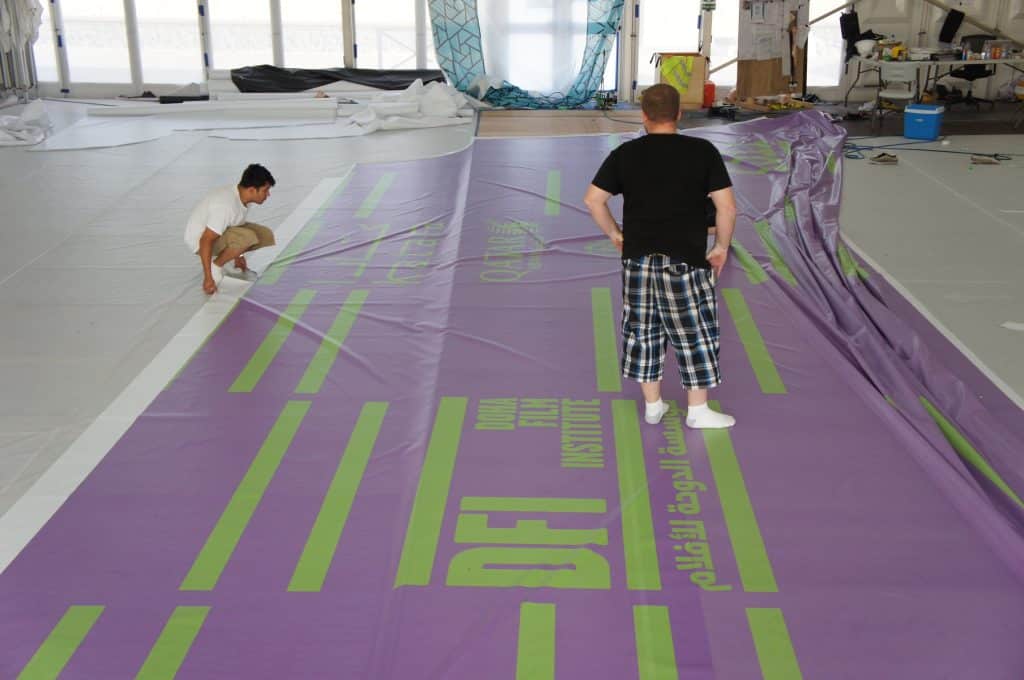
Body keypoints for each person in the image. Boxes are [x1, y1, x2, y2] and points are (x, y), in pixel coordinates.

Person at [584, 83, 737, 429]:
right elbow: (726, 208)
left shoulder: (626, 154)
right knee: (694, 331)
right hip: (685, 260)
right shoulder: (703, 151)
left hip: (638, 260)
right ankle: (697, 411)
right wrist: (721, 247)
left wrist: (614, 234)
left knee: (642, 330)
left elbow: (593, 200)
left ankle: (653, 405)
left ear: (644, 115)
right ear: (680, 114)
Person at [184, 164, 277, 295]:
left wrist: (239, 255)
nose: (268, 194)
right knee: (248, 237)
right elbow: (206, 240)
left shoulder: (242, 197)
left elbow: (235, 225)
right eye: (265, 190)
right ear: (252, 190)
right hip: (199, 240)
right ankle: (215, 266)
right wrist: (208, 277)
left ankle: (226, 259)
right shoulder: (226, 206)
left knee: (264, 235)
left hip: (218, 233)